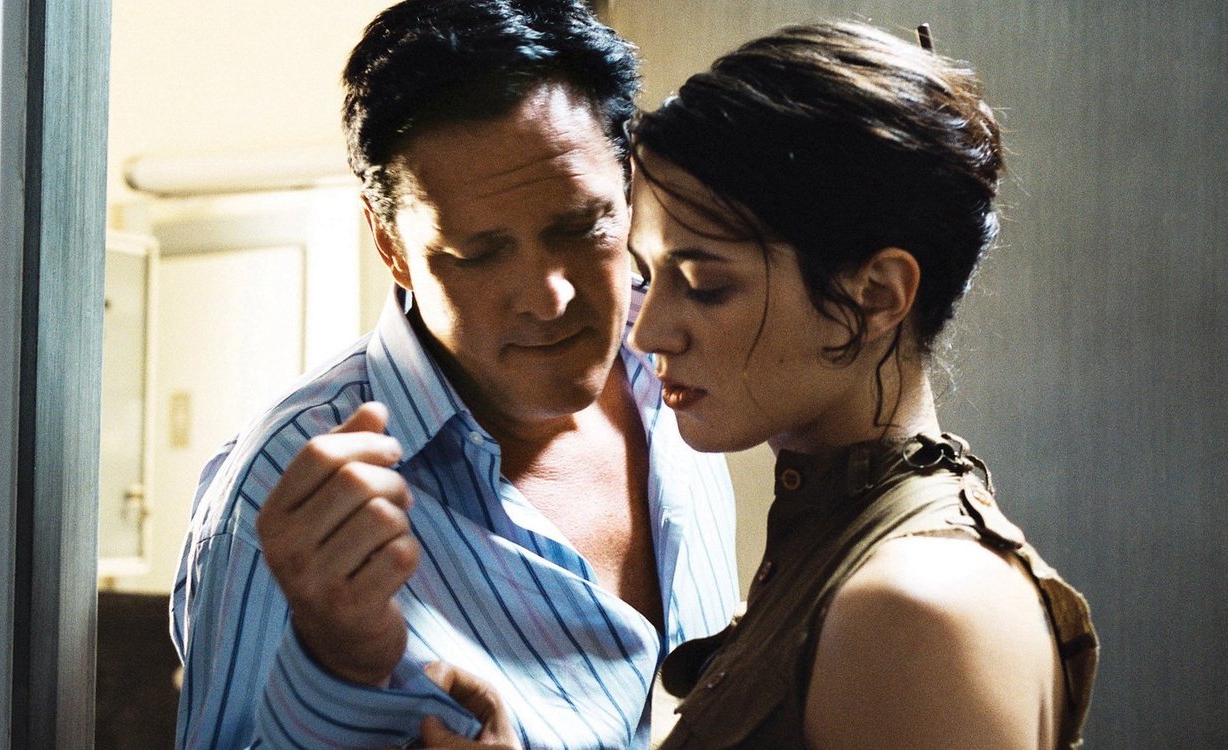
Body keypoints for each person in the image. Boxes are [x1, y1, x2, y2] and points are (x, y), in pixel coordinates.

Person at [428, 19, 1099, 750]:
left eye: (704, 285)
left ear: (875, 296)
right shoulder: (834, 543)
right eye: (648, 276)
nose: (650, 333)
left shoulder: (911, 611)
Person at [169, 1, 740, 748]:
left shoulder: (685, 371)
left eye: (581, 226)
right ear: (392, 246)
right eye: (479, 253)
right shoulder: (282, 489)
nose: (548, 298)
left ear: (629, 187)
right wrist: (336, 673)